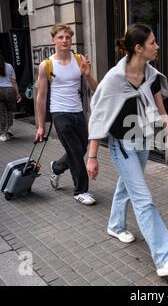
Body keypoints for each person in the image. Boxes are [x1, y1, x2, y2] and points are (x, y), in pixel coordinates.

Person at [86, 24, 168, 277]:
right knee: (143, 198)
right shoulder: (114, 79)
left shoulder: (150, 75)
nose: (157, 46)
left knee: (127, 185)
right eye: (153, 42)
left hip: (142, 141)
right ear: (138, 48)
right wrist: (93, 155)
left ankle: (115, 225)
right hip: (122, 145)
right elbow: (99, 116)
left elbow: (162, 113)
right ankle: (165, 257)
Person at [35, 23, 98, 206]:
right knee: (75, 153)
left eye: (68, 37)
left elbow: (96, 89)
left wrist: (87, 75)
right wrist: (41, 126)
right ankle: (81, 191)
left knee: (81, 148)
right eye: (61, 37)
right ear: (53, 40)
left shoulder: (79, 60)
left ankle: (56, 167)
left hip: (78, 111)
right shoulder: (46, 65)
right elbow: (41, 97)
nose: (65, 40)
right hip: (59, 113)